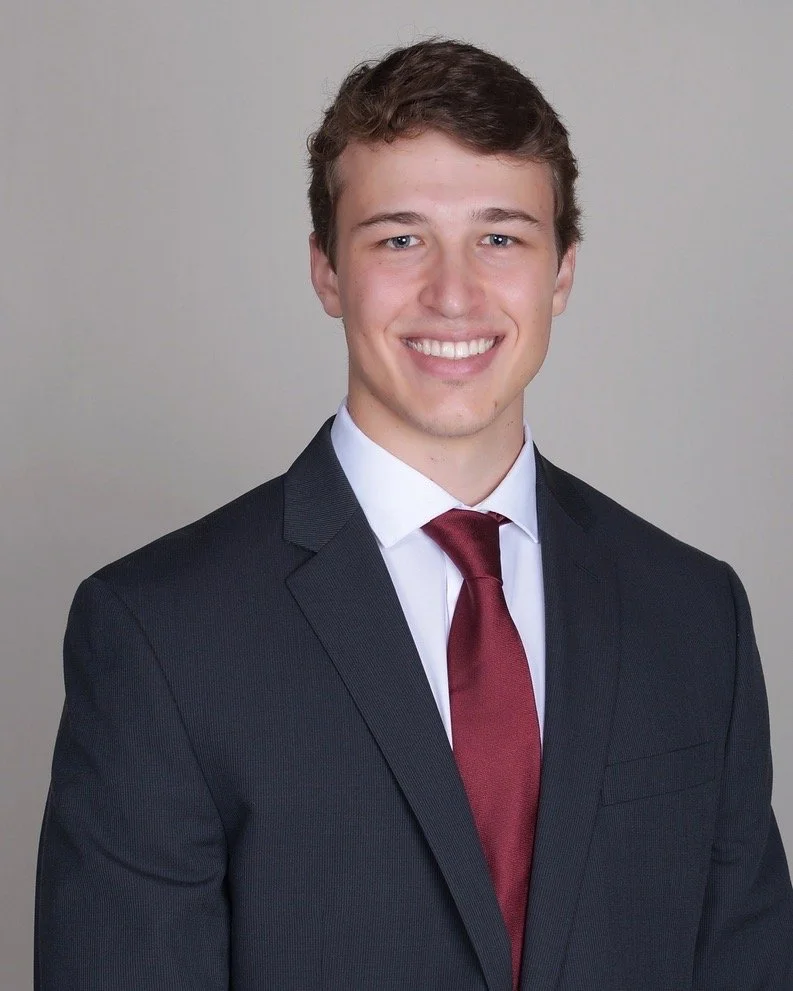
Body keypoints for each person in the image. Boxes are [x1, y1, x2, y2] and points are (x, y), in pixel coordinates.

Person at [35, 38, 792, 991]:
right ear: (326, 271)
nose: (453, 292)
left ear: (560, 273)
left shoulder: (695, 614)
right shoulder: (157, 632)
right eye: (399, 238)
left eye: (501, 236)